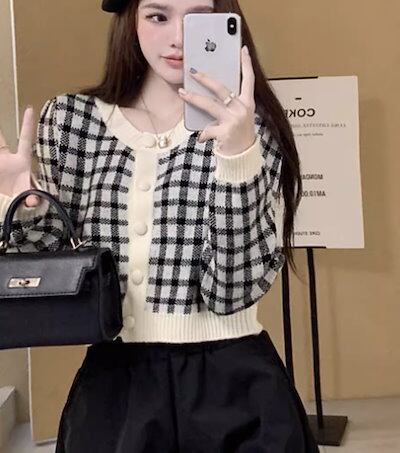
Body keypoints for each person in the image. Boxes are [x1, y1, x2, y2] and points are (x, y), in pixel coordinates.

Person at [0, 0, 319, 451]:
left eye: (198, 18)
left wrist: (237, 157)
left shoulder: (247, 127)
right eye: (158, 16)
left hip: (235, 385)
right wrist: (19, 205)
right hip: (115, 388)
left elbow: (230, 292)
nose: (179, 38)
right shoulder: (72, 123)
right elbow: (43, 274)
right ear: (130, 20)